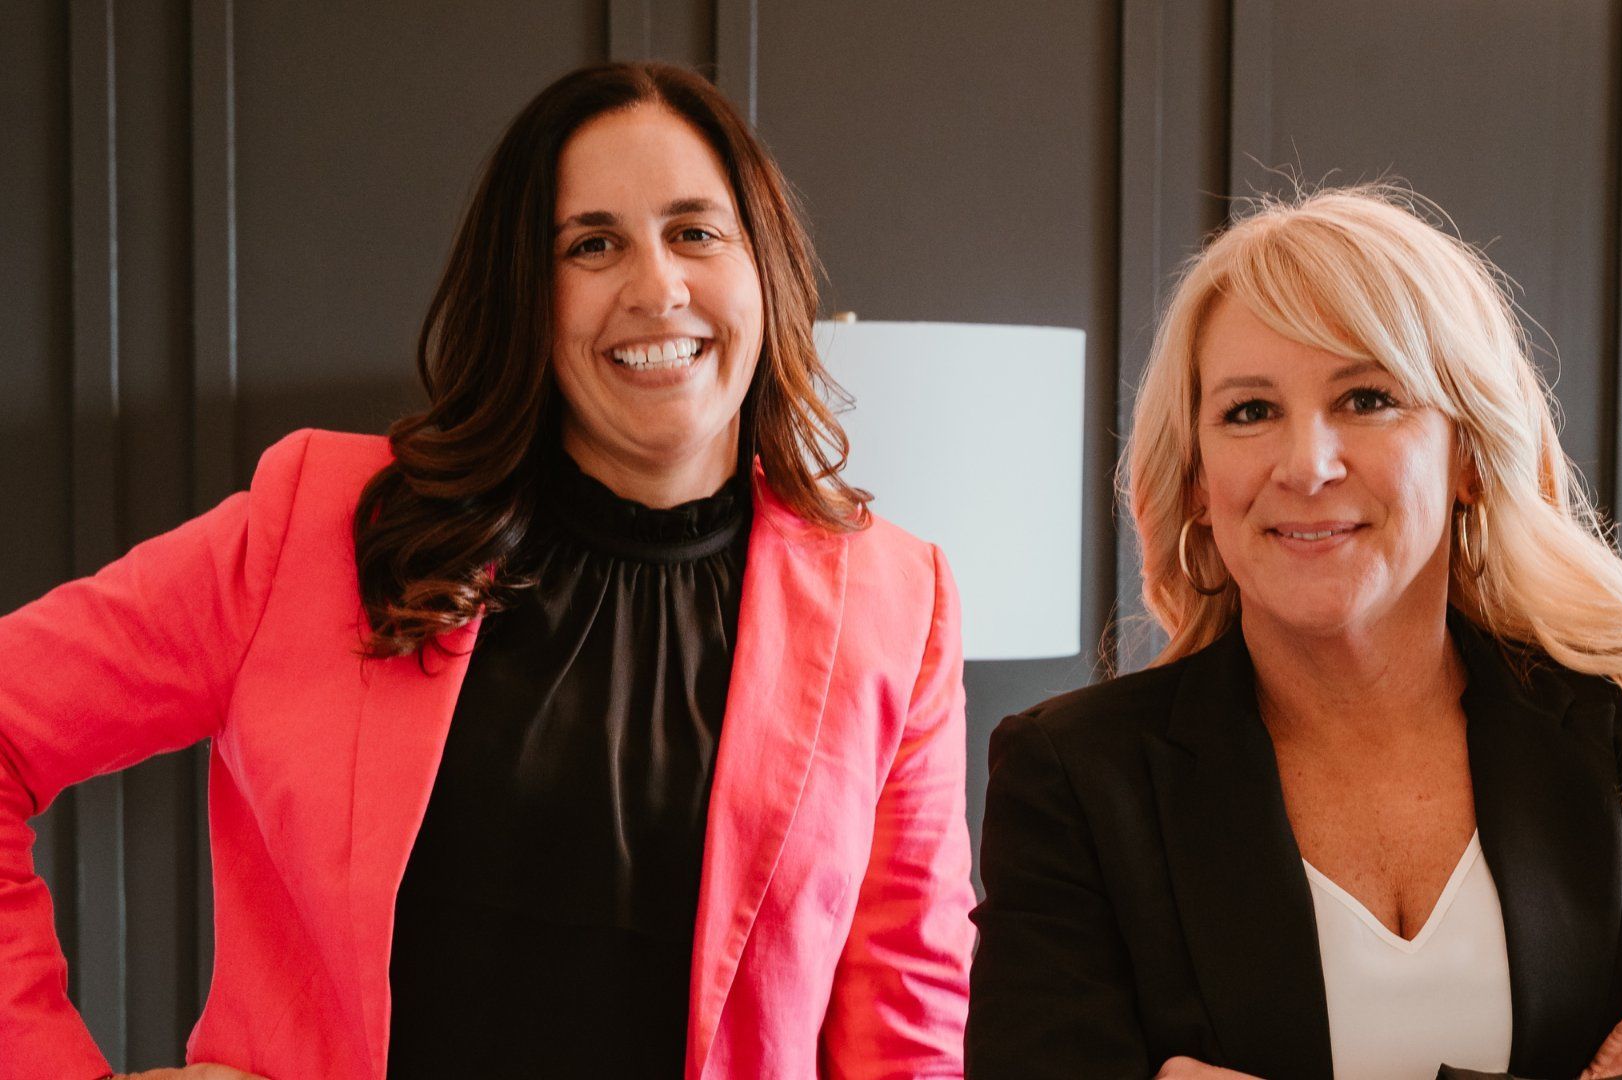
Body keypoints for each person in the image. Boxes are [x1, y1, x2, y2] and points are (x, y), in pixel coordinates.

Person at [0, 62, 973, 1080]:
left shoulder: (897, 607)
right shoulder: (317, 528)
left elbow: (908, 1034)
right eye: (592, 244)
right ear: (526, 294)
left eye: (695, 232)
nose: (656, 289)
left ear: (764, 266)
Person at [967, 187, 1622, 1080]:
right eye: (1250, 411)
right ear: (1196, 482)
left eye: (1367, 398)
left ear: (1468, 456)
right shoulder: (1073, 780)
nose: (1307, 465)